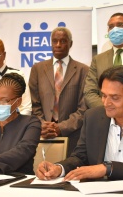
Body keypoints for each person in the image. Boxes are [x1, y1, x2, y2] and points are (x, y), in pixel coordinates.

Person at [36, 66, 123, 182]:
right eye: (104, 95)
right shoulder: (92, 117)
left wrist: (108, 168)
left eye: (115, 97)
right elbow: (80, 157)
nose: (106, 103)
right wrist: (59, 168)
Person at [29, 27, 89, 156]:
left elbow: (84, 108)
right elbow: (34, 104)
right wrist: (43, 125)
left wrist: (61, 127)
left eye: (63, 41)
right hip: (43, 135)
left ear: (70, 44)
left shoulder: (83, 70)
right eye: (54, 41)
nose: (58, 45)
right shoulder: (37, 69)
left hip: (73, 137)